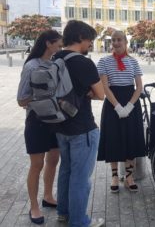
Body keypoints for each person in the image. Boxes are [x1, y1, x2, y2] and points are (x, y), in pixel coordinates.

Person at [54, 20, 105, 227]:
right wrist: (85, 93)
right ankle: (79, 221)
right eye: (90, 40)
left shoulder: (55, 58)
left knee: (65, 170)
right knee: (80, 178)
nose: (90, 44)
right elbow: (100, 94)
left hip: (60, 125)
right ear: (81, 38)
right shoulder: (83, 63)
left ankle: (63, 213)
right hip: (82, 128)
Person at [17, 30, 62, 225]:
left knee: (54, 159)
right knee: (37, 165)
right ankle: (34, 206)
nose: (60, 47)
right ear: (48, 43)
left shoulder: (56, 64)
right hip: (36, 120)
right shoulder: (31, 66)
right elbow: (21, 99)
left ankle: (48, 196)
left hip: (55, 120)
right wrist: (41, 96)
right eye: (58, 44)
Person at [96, 31, 145, 193]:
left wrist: (130, 105)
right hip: (112, 103)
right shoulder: (104, 61)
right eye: (114, 40)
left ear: (125, 42)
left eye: (119, 40)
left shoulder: (134, 62)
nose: (116, 43)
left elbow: (139, 87)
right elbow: (105, 86)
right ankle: (115, 176)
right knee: (113, 138)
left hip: (131, 102)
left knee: (131, 138)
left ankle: (129, 176)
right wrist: (117, 106)